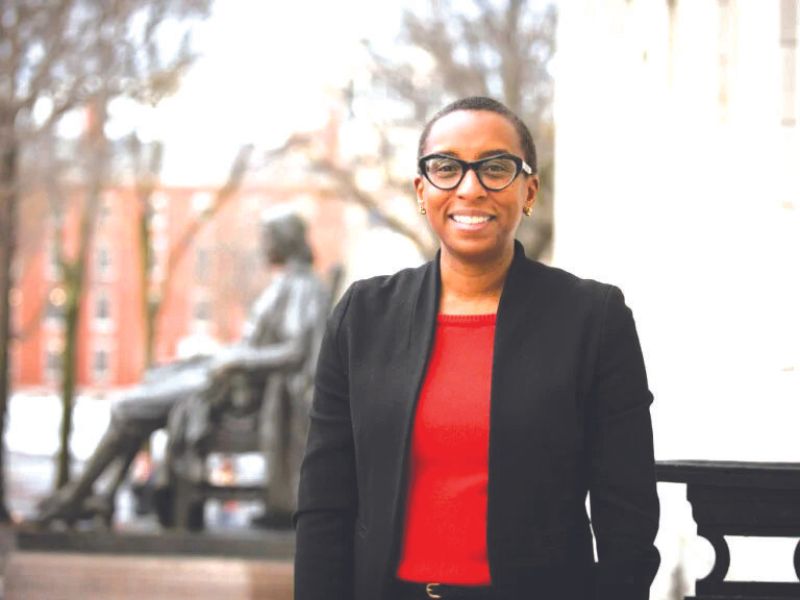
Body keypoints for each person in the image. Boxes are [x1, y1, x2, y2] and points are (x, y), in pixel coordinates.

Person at [294, 97, 660, 600]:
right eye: (446, 167)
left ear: (528, 190)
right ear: (421, 190)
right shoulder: (363, 316)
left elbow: (628, 514)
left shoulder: (593, 320)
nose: (470, 188)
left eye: (495, 167)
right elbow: (324, 503)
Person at [35, 211, 329, 528]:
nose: (263, 246)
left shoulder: (302, 288)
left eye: (268, 239)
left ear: (285, 241)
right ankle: (100, 497)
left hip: (239, 392)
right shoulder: (286, 282)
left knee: (128, 408)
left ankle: (76, 497)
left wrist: (238, 360)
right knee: (148, 388)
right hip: (225, 377)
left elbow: (297, 352)